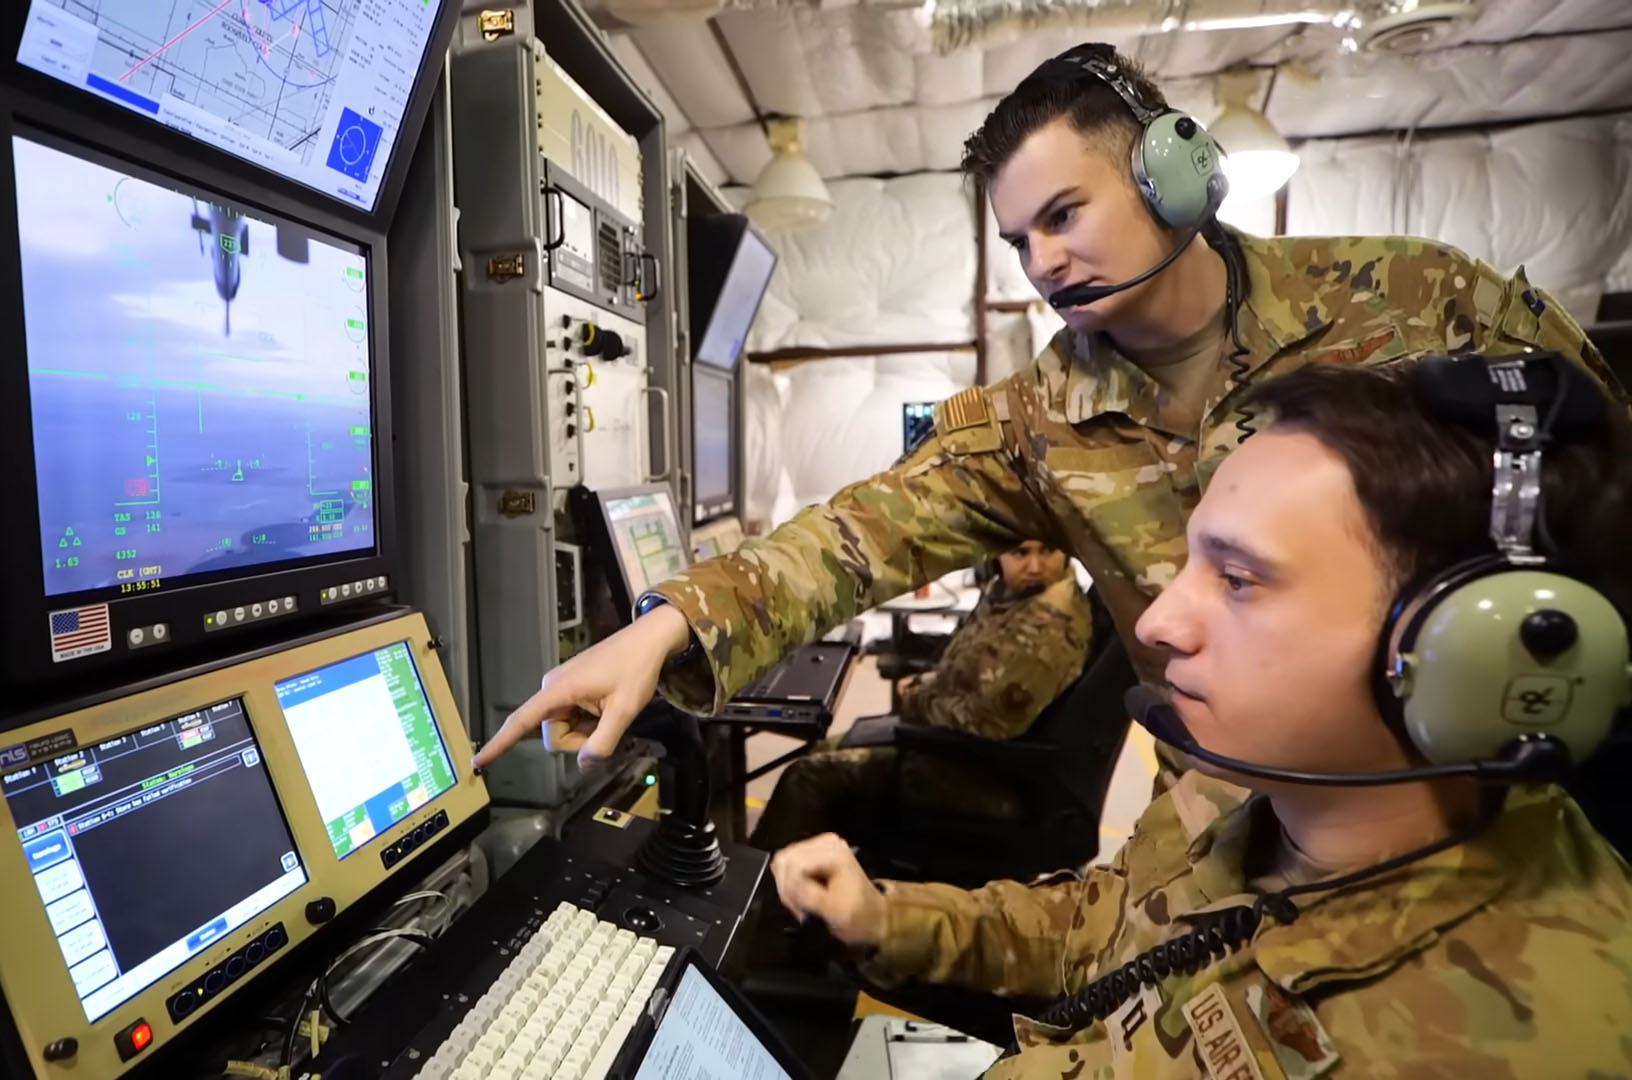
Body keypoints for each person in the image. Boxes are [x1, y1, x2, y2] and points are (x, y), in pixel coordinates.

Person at [471, 43, 1623, 777]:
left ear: (1174, 176)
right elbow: (854, 534)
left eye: (1066, 213)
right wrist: (663, 627)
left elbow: (1612, 479)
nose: (1045, 262)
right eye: (1021, 238)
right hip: (1237, 805)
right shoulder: (1034, 419)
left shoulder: (1424, 300)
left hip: (1488, 775)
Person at [768, 357, 1632, 1076]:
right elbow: (1107, 926)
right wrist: (884, 916)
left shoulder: (1521, 1042)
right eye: (1192, 561)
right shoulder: (1248, 795)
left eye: (1240, 578)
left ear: (1471, 661)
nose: (1155, 623)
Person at [749, 540, 1091, 852]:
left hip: (978, 774)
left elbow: (990, 724)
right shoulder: (1015, 596)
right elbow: (975, 672)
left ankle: (762, 905)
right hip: (955, 748)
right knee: (823, 750)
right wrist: (929, 684)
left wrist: (917, 698)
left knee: (806, 777)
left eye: (1047, 551)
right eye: (1020, 553)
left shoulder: (1045, 624)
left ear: (1066, 552)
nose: (1034, 566)